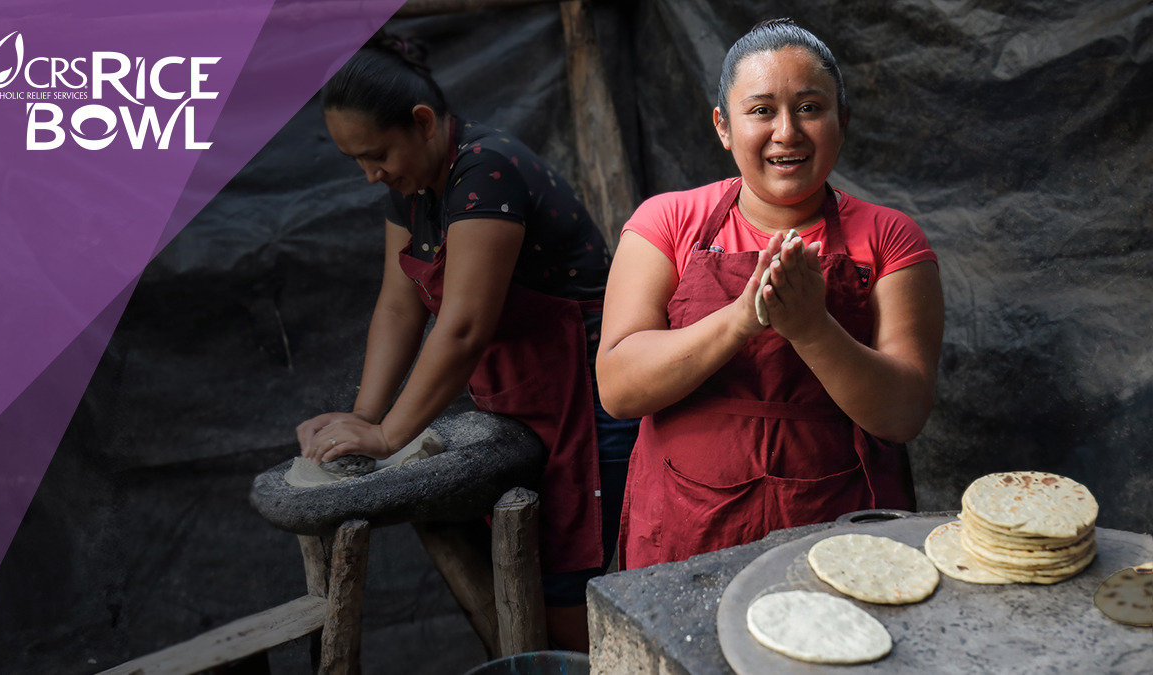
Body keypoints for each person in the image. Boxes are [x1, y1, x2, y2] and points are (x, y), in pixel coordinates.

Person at [294, 33, 638, 651]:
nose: (370, 175)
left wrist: (387, 437)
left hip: (594, 394)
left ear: (423, 123)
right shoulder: (411, 191)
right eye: (355, 161)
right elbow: (398, 307)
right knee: (534, 574)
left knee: (579, 584)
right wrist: (364, 414)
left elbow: (462, 325)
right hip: (524, 391)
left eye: (376, 154)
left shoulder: (486, 169)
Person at [596, 18, 944, 570]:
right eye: (761, 110)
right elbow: (618, 388)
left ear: (842, 120)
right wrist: (741, 318)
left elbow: (902, 415)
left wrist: (811, 327)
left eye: (810, 107)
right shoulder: (667, 221)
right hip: (685, 527)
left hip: (839, 527)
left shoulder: (889, 237)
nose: (787, 132)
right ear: (723, 126)